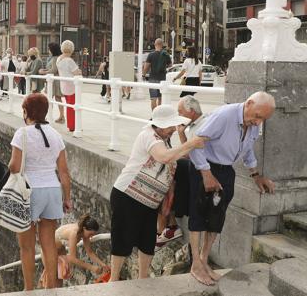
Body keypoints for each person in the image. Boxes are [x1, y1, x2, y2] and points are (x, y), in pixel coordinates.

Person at [188, 92, 276, 286]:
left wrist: (255, 175)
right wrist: (206, 173)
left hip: (226, 170)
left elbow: (248, 148)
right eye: (258, 116)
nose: (259, 122)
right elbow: (195, 143)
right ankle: (195, 264)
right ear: (249, 103)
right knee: (198, 215)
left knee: (217, 217)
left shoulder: (252, 122)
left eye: (263, 119)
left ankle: (203, 260)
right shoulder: (224, 115)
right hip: (204, 166)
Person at [109, 105, 205, 281]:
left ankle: (143, 279)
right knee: (123, 239)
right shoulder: (148, 136)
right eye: (170, 127)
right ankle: (113, 280)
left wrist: (188, 144)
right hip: (128, 196)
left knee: (148, 241)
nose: (172, 131)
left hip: (149, 201)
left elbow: (177, 157)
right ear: (160, 125)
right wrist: (191, 143)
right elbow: (164, 157)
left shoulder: (164, 140)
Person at [10, 94, 72, 290]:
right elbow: (64, 172)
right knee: (49, 245)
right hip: (52, 190)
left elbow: (14, 166)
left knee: (27, 247)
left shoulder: (22, 133)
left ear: (27, 112)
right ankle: (51, 287)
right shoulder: (56, 135)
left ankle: (29, 290)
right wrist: (67, 198)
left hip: (29, 192)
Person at [156, 96, 207, 248]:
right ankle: (169, 226)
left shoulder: (203, 125)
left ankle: (166, 229)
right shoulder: (192, 125)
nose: (178, 116)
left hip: (202, 168)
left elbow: (191, 154)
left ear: (191, 111)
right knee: (165, 173)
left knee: (168, 169)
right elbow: (188, 151)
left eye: (180, 112)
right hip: (194, 165)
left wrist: (180, 135)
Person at [54, 215, 104, 286]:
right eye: (91, 234)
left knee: (60, 278)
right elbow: (72, 258)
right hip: (50, 248)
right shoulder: (74, 233)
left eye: (93, 234)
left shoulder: (85, 233)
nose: (92, 236)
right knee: (52, 278)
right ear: (84, 228)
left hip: (61, 249)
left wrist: (103, 264)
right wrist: (92, 268)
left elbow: (90, 252)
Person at [56, 41, 82, 132]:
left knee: (69, 106)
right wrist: (79, 71)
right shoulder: (69, 60)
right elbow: (77, 72)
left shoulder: (59, 59)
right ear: (72, 49)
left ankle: (71, 125)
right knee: (73, 107)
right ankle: (73, 126)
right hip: (72, 86)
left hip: (63, 85)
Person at [143, 38, 172, 110]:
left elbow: (146, 67)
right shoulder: (166, 54)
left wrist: (143, 74)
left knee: (153, 99)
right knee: (160, 98)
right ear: (162, 45)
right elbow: (170, 65)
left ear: (155, 44)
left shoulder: (151, 55)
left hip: (153, 78)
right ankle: (159, 115)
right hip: (162, 79)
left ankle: (154, 116)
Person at [41, 43, 65, 124]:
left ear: (52, 50)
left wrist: (44, 72)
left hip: (54, 81)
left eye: (49, 49)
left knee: (51, 98)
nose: (48, 51)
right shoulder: (57, 58)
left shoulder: (55, 58)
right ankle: (61, 116)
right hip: (55, 80)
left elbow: (54, 70)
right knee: (57, 98)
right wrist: (45, 71)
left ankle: (49, 116)